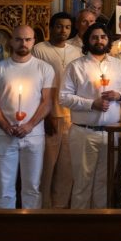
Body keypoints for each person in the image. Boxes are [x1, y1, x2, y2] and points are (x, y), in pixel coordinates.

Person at [0, 25, 54, 209]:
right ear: (11, 41)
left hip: (34, 135)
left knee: (32, 187)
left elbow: (47, 102)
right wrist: (6, 126)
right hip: (5, 135)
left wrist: (29, 125)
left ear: (33, 41)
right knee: (5, 187)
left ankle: (31, 230)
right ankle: (5, 230)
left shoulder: (44, 69)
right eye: (19, 39)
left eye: (28, 39)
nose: (23, 43)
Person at [62, 23, 121, 208]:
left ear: (108, 40)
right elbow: (64, 97)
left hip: (112, 132)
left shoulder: (119, 65)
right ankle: (79, 227)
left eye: (103, 37)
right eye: (94, 37)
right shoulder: (75, 66)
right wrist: (92, 104)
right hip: (84, 132)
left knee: (104, 182)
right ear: (87, 41)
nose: (99, 41)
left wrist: (119, 95)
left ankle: (100, 225)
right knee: (82, 182)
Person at [32, 12, 82, 208]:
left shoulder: (76, 51)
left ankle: (60, 210)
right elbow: (35, 86)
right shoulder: (39, 50)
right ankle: (43, 208)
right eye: (59, 26)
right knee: (46, 167)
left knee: (66, 169)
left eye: (67, 27)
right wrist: (45, 114)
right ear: (51, 28)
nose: (63, 31)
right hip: (50, 115)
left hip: (72, 117)